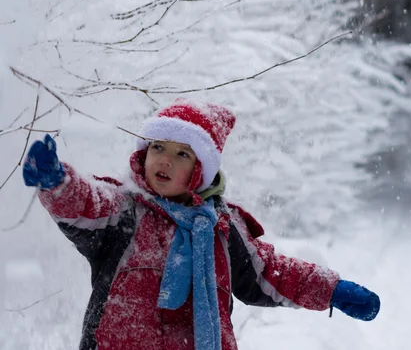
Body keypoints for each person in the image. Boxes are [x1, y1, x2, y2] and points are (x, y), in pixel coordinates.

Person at [22, 99, 380, 350]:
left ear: (201, 171)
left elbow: (268, 272)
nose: (165, 160)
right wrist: (57, 182)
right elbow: (87, 202)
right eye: (158, 147)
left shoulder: (222, 227)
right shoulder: (124, 209)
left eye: (182, 154)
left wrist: (330, 289)